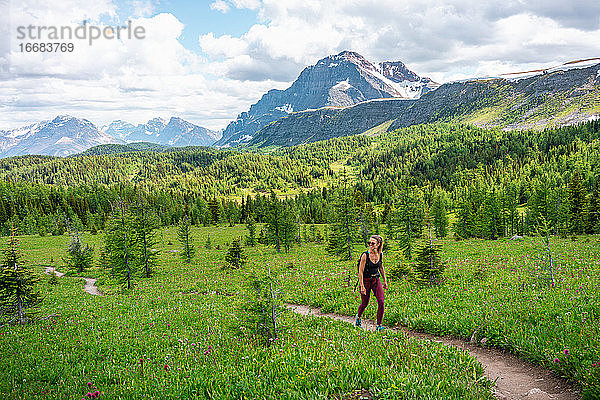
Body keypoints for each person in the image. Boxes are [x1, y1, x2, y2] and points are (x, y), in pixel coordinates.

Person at [355, 234, 387, 331]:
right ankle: (358, 318)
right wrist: (362, 286)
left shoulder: (380, 254)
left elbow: (381, 267)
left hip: (376, 280)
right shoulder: (365, 255)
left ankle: (378, 325)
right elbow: (360, 271)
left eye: (373, 243)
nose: (370, 245)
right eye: (369, 243)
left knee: (381, 301)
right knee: (365, 303)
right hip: (366, 281)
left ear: (378, 244)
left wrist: (385, 280)